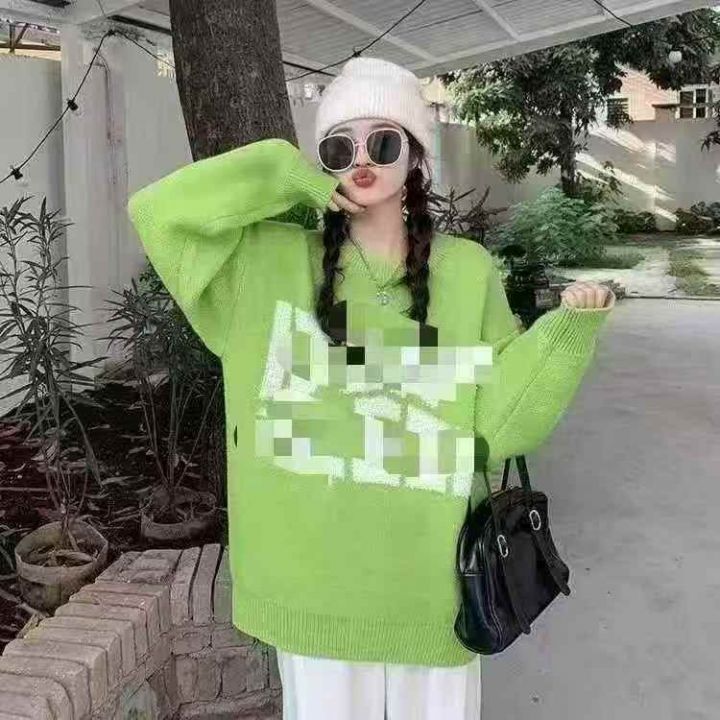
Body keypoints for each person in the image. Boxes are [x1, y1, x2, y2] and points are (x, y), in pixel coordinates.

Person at [128, 56, 615, 720]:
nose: (360, 159)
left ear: (415, 156)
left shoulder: (466, 272)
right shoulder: (264, 264)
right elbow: (158, 214)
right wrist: (282, 171)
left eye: (382, 142)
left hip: (432, 583)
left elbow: (499, 426)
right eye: (338, 147)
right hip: (310, 583)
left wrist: (566, 336)